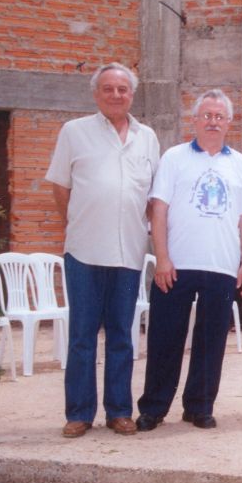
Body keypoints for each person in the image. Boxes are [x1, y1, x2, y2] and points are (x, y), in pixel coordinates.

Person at [46, 62, 160, 438]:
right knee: (81, 335)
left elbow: (152, 198)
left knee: (122, 337)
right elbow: (61, 188)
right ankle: (79, 412)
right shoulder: (74, 132)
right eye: (108, 89)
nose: (116, 95)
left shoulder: (147, 137)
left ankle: (118, 411)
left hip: (128, 252)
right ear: (96, 94)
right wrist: (79, 221)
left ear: (132, 94)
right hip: (84, 252)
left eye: (122, 89)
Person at [135, 89, 242, 431]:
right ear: (194, 120)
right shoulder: (174, 158)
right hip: (176, 265)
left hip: (221, 266)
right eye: (207, 115)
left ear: (229, 123)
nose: (213, 122)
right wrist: (162, 258)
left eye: (219, 116)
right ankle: (154, 408)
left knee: (212, 340)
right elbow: (158, 209)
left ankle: (199, 406)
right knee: (164, 338)